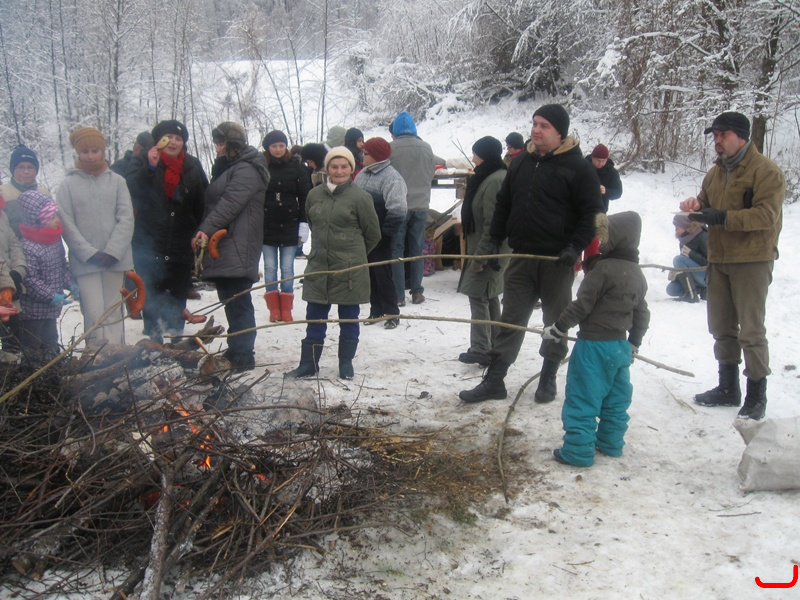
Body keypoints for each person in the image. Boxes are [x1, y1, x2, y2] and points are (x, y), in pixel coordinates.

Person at [458, 104, 603, 404]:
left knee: (556, 321)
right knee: (511, 318)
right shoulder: (521, 162)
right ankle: (495, 380)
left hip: (556, 260)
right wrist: (495, 239)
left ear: (560, 132)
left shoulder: (579, 168)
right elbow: (504, 203)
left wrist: (574, 247)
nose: (536, 130)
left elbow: (591, 214)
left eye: (544, 125)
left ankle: (548, 376)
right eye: (534, 123)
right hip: (521, 256)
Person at [679, 111, 785, 420]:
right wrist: (696, 206)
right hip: (719, 257)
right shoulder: (715, 173)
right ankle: (728, 387)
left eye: (722, 134)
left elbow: (766, 216)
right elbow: (705, 202)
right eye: (715, 135)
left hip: (752, 259)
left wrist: (722, 217)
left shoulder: (765, 171)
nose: (717, 140)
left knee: (751, 330)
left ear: (741, 136)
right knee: (721, 326)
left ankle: (756, 394)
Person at [544, 211, 650, 467]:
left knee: (583, 397)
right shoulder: (637, 274)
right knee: (616, 400)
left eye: (606, 237)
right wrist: (634, 342)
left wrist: (558, 328)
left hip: (593, 347)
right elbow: (642, 313)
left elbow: (582, 305)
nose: (601, 242)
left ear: (617, 239)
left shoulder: (602, 270)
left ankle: (578, 451)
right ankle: (611, 443)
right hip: (620, 348)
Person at [285, 147, 380, 380]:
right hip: (319, 266)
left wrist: (353, 255)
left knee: (349, 318)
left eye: (344, 166)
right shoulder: (314, 195)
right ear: (327, 168)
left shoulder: (361, 198)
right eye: (334, 166)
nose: (339, 171)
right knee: (315, 317)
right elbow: (313, 224)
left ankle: (346, 363)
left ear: (351, 168)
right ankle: (309, 363)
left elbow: (373, 234)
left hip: (349, 269)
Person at [192, 122, 268, 373]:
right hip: (228, 242)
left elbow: (230, 203)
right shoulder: (231, 167)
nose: (218, 148)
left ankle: (244, 355)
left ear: (233, 143)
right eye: (216, 143)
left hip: (238, 243)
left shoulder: (246, 169)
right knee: (231, 300)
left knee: (238, 301)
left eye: (222, 143)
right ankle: (237, 348)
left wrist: (205, 228)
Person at [125, 120, 208, 342]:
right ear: (159, 140)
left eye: (178, 138)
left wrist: (201, 230)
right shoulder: (143, 159)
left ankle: (176, 340)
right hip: (149, 242)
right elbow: (130, 190)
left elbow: (202, 202)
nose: (173, 142)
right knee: (151, 293)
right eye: (168, 137)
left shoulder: (192, 166)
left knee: (177, 293)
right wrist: (150, 168)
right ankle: (154, 343)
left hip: (181, 242)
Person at [58, 127, 134, 346]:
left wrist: (112, 252)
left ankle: (117, 356)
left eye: (95, 151)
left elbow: (126, 218)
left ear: (102, 151)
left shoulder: (117, 181)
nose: (90, 156)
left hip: (115, 260)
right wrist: (89, 253)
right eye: (85, 152)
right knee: (93, 313)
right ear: (78, 153)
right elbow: (66, 223)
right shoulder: (68, 185)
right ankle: (95, 357)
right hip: (86, 262)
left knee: (113, 312)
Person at [456, 136, 509, 366]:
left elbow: (493, 223)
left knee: (478, 295)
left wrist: (482, 256)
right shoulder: (490, 175)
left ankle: (481, 348)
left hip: (489, 249)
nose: (473, 157)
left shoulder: (495, 180)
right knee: (489, 295)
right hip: (485, 246)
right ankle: (495, 346)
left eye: (476, 153)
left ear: (485, 155)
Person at [354, 137, 407, 329]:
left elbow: (398, 210)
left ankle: (392, 313)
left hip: (382, 236)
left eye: (366, 153)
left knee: (383, 275)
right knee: (369, 274)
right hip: (364, 235)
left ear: (376, 156)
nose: (362, 155)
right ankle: (375, 310)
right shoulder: (363, 173)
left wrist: (385, 236)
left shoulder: (392, 178)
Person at [16, 191, 77, 359]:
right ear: (38, 221)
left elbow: (61, 267)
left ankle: (52, 368)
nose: (57, 220)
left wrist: (70, 283)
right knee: (32, 345)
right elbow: (30, 279)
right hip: (33, 311)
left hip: (50, 309)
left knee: (51, 342)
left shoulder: (55, 240)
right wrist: (51, 296)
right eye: (51, 218)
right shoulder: (28, 246)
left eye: (56, 216)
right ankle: (33, 371)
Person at [260, 130, 312, 323]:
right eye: (274, 146)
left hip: (290, 223)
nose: (278, 149)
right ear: (268, 148)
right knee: (270, 267)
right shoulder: (262, 166)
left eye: (281, 145)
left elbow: (305, 197)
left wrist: (304, 223)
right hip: (268, 224)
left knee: (288, 268)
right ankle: (274, 308)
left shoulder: (297, 167)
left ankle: (286, 308)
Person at [389, 112, 436, 306]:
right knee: (417, 249)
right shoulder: (426, 147)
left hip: (398, 205)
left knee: (396, 250)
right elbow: (432, 172)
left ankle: (398, 295)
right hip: (421, 205)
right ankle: (417, 291)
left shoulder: (390, 149)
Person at [1, 145, 49, 237]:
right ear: (13, 169)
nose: (26, 171)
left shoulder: (44, 194)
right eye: (21, 167)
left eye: (30, 167)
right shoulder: (3, 193)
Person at [0, 193, 26, 352]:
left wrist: (18, 271)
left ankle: (12, 366)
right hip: (5, 285)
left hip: (8, 288)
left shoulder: (2, 215)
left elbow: (14, 245)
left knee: (13, 344)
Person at [666, 213, 708, 302]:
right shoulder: (683, 239)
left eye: (677, 227)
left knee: (678, 259)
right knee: (671, 289)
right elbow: (684, 263)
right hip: (694, 276)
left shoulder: (702, 236)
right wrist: (676, 273)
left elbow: (709, 262)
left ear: (685, 226)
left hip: (708, 275)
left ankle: (691, 296)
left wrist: (691, 253)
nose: (675, 229)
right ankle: (703, 290)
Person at [586, 144, 622, 213]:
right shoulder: (583, 166)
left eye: (603, 161)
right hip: (580, 208)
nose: (600, 163)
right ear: (592, 157)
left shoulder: (611, 172)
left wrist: (606, 191)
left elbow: (618, 192)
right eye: (598, 160)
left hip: (600, 210)